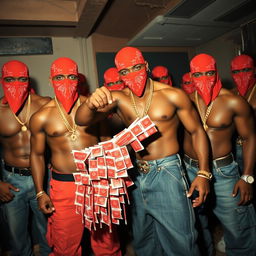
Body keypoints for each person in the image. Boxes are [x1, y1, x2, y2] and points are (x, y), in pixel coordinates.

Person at [75, 46, 212, 256]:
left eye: (136, 67)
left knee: (181, 241)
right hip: (135, 172)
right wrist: (91, 104)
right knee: (144, 240)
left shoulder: (173, 95)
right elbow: (81, 120)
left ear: (146, 66)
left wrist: (203, 173)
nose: (131, 75)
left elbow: (196, 131)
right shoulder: (118, 98)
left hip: (167, 171)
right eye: (125, 71)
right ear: (119, 74)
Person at [30, 57, 121, 256]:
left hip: (97, 181)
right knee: (65, 246)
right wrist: (39, 192)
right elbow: (36, 155)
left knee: (107, 244)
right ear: (50, 79)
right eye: (59, 77)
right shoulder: (41, 116)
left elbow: (107, 142)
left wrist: (113, 179)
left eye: (71, 76)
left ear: (78, 79)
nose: (66, 81)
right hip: (64, 186)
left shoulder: (94, 107)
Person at [183, 53, 256, 256]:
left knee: (239, 228)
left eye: (209, 73)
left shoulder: (233, 102)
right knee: (195, 225)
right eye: (198, 74)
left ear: (216, 73)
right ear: (191, 75)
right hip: (190, 170)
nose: (204, 78)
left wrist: (247, 176)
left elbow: (249, 137)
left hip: (223, 172)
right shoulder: (186, 101)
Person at [0, 60, 51, 256]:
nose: (16, 83)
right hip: (12, 180)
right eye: (10, 79)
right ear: (2, 81)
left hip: (43, 177)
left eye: (22, 79)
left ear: (28, 80)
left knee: (48, 234)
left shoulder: (44, 104)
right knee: (17, 238)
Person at [230, 54, 256, 171]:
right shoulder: (230, 94)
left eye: (246, 70)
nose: (241, 75)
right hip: (234, 147)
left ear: (254, 70)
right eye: (236, 71)